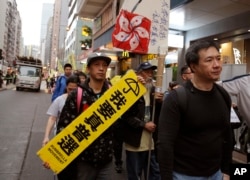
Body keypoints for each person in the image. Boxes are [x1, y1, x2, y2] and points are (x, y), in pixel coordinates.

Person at [157, 40, 232, 180]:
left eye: (218, 58)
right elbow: (165, 144)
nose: (217, 65)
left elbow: (227, 136)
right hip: (184, 175)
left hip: (217, 174)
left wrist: (226, 171)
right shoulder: (176, 98)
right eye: (209, 60)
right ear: (193, 67)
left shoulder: (223, 95)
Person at [55, 52, 114, 180]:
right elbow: (63, 128)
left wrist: (138, 84)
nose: (101, 68)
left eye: (104, 65)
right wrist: (54, 155)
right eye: (97, 64)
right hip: (83, 160)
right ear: (88, 69)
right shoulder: (77, 95)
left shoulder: (113, 94)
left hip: (107, 160)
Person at [122, 62, 162, 180]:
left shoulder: (153, 91)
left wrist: (160, 102)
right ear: (139, 74)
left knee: (155, 174)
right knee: (135, 174)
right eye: (146, 72)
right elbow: (126, 116)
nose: (149, 75)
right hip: (135, 143)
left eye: (151, 72)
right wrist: (144, 125)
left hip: (151, 143)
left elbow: (159, 115)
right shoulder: (131, 90)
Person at [42, 75, 79, 149]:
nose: (71, 92)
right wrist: (46, 137)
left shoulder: (84, 101)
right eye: (69, 89)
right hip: (61, 137)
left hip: (78, 137)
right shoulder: (59, 100)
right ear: (66, 87)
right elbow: (52, 118)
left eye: (74, 90)